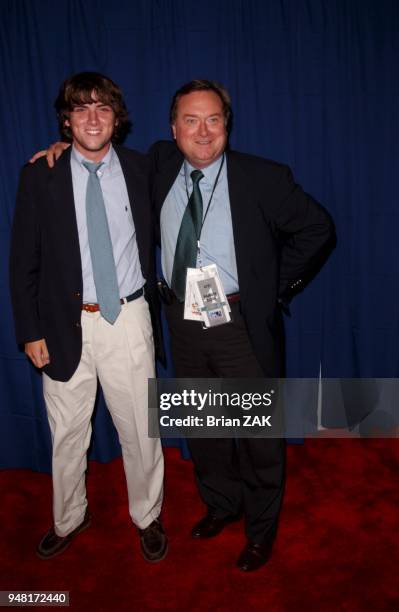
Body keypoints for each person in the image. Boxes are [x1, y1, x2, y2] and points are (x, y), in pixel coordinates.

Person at [30, 78, 334, 572]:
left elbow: (319, 228)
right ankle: (221, 504)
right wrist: (65, 147)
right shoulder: (156, 164)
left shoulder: (264, 177)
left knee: (257, 433)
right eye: (191, 120)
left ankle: (260, 529)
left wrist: (271, 288)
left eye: (214, 119)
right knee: (204, 427)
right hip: (180, 319)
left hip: (239, 323)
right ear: (174, 129)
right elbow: (96, 160)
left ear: (226, 125)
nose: (203, 131)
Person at [10, 72, 167, 563]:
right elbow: (22, 260)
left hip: (130, 316)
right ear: (66, 119)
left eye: (102, 108)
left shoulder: (145, 169)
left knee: (142, 430)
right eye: (81, 109)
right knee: (68, 432)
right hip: (62, 323)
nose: (92, 118)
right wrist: (29, 330)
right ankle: (69, 517)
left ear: (117, 118)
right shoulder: (41, 174)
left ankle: (147, 516)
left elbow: (200, 152)